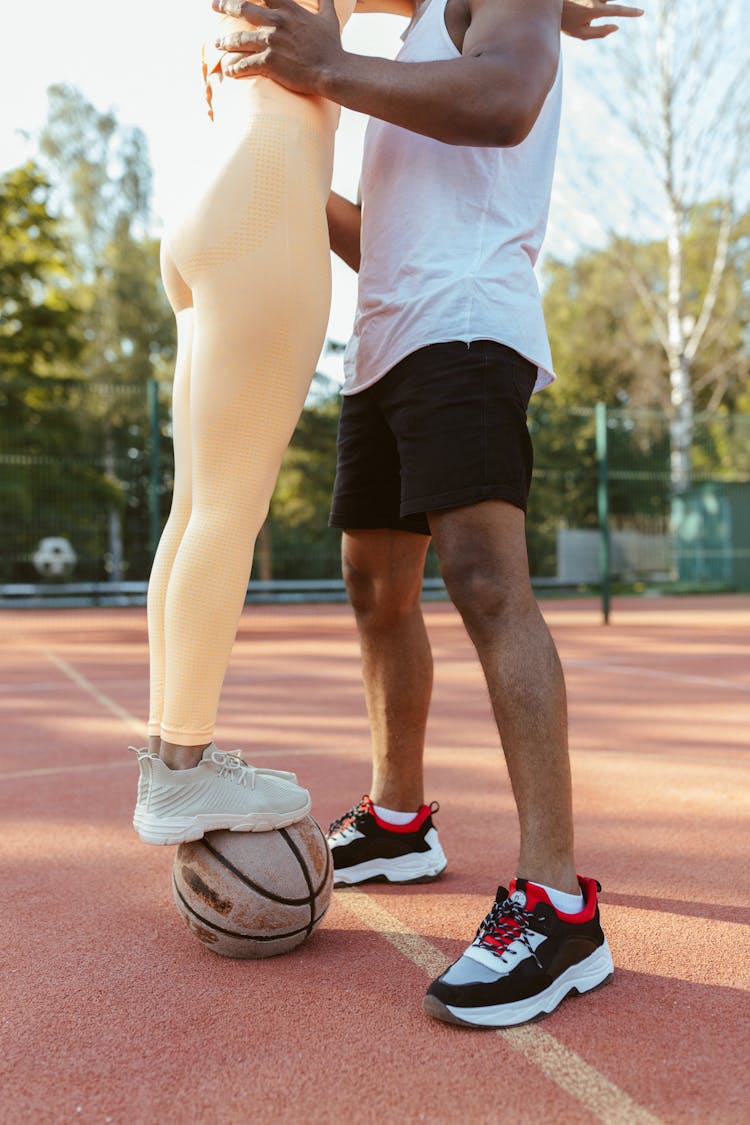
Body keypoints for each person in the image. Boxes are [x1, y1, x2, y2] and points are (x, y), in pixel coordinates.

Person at [212, 0, 643, 1026]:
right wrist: (274, 155)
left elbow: (500, 103)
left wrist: (326, 65)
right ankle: (401, 822)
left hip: (464, 320)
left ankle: (557, 903)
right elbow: (381, 235)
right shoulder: (409, 40)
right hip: (385, 340)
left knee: (487, 583)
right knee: (375, 589)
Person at [131, 0, 358, 846]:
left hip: (208, 211)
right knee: (227, 510)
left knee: (195, 509)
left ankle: (170, 755)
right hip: (267, 211)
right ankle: (182, 776)